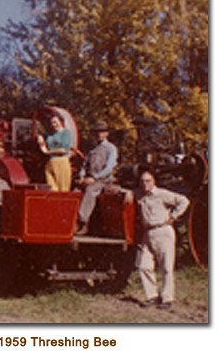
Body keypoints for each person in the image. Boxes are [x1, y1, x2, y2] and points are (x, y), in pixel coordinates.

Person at [124, 169, 190, 310]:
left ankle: (167, 298)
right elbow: (123, 190)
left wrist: (173, 216)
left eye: (148, 181)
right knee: (143, 265)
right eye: (142, 181)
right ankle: (152, 296)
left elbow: (183, 201)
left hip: (162, 230)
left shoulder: (162, 194)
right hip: (147, 233)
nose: (145, 184)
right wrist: (128, 192)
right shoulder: (139, 194)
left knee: (166, 266)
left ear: (154, 182)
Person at [75, 120, 118, 235]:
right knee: (75, 191)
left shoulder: (111, 148)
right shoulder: (92, 149)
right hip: (90, 178)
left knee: (90, 190)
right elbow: (84, 165)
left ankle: (83, 222)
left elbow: (109, 168)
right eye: (97, 132)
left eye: (102, 131)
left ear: (107, 133)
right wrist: (81, 176)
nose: (99, 134)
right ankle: (71, 221)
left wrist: (94, 177)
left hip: (104, 180)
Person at [37, 113, 72, 191]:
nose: (54, 124)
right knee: (52, 188)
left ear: (61, 122)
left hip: (61, 161)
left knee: (63, 189)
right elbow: (41, 135)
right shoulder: (50, 134)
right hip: (50, 163)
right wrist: (40, 138)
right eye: (52, 122)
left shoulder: (66, 133)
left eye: (55, 122)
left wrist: (47, 152)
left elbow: (63, 150)